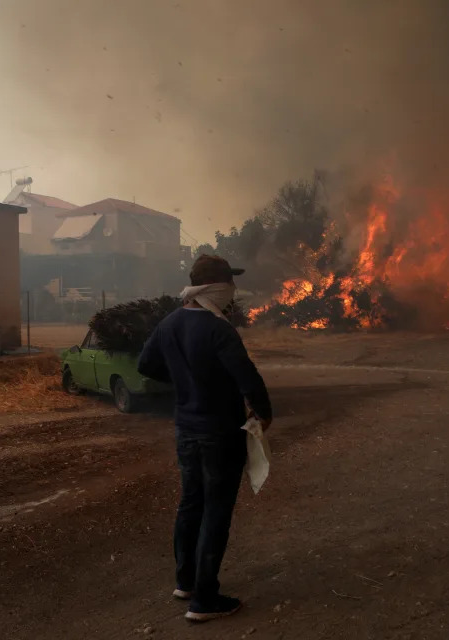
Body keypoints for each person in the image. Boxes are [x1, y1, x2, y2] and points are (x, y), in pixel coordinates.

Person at [138, 254, 272, 623]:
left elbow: (145, 365)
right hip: (219, 432)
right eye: (230, 283)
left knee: (191, 503)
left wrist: (185, 383)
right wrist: (264, 413)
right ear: (217, 287)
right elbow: (248, 378)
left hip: (186, 429)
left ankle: (186, 582)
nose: (233, 291)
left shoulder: (169, 323)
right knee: (216, 510)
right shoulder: (218, 329)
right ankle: (205, 599)